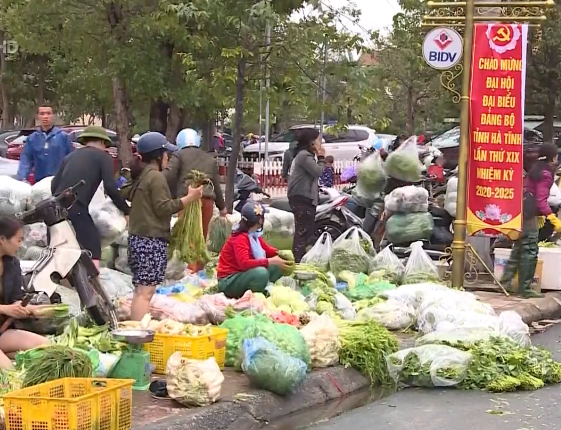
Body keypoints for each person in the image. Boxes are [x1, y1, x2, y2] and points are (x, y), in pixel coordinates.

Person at [122, 132, 203, 320]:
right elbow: (163, 208)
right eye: (166, 154)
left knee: (141, 291)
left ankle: (136, 331)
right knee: (146, 292)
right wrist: (189, 198)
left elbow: (125, 193)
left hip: (138, 238)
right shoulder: (156, 178)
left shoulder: (141, 176)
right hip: (150, 240)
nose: (168, 158)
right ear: (158, 156)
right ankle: (138, 336)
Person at [51, 126, 130, 269]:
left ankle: (66, 285)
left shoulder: (70, 157)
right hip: (76, 208)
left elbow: (54, 184)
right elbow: (110, 188)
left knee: (61, 250)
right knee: (93, 247)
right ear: (102, 142)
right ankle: (92, 285)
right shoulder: (103, 157)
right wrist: (127, 210)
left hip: (55, 209)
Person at [501, 143, 561, 298]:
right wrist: (552, 218)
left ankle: (505, 282)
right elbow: (541, 200)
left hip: (521, 212)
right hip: (529, 215)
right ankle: (525, 288)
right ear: (553, 157)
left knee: (519, 248)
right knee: (530, 250)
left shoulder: (534, 170)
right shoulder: (546, 174)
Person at [0, 216, 49, 369]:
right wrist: (4, 309)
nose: (21, 246)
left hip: (2, 332)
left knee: (48, 348)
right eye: (19, 240)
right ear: (2, 239)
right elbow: (6, 308)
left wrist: (24, 309)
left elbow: (16, 297)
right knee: (9, 372)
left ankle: (7, 354)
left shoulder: (12, 263)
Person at [164, 128, 226, 242]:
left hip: (187, 200)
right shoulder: (209, 158)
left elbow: (169, 176)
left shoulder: (178, 155)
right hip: (207, 200)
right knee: (201, 238)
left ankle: (189, 260)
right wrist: (222, 207)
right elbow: (215, 185)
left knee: (187, 239)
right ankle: (200, 259)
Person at [217, 201, 289, 299]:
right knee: (261, 273)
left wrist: (281, 254)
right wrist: (269, 261)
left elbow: (267, 249)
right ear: (259, 220)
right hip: (229, 280)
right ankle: (252, 295)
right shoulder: (240, 238)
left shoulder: (253, 235)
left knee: (278, 266)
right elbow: (244, 263)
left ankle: (263, 287)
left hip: (242, 274)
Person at [287, 128, 325, 262]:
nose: (321, 143)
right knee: (302, 233)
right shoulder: (304, 156)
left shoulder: (303, 155)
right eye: (318, 140)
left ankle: (301, 260)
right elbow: (318, 172)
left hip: (303, 197)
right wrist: (321, 157)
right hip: (302, 198)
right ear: (311, 143)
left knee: (305, 231)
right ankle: (298, 262)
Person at [17, 105, 74, 183]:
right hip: (40, 182)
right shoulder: (32, 138)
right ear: (38, 116)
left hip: (59, 182)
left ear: (53, 115)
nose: (45, 116)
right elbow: (26, 159)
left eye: (48, 113)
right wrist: (22, 178)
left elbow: (71, 160)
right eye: (42, 114)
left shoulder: (63, 137)